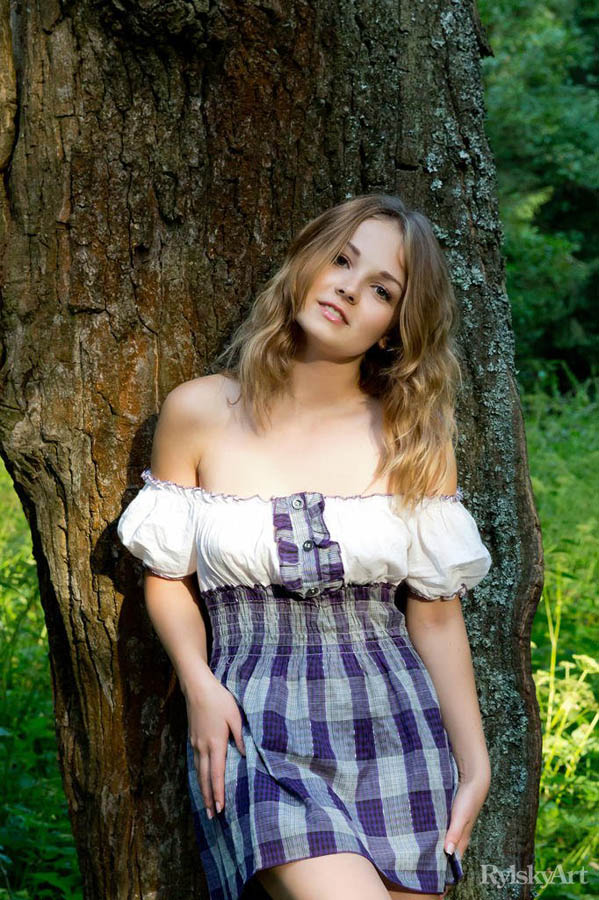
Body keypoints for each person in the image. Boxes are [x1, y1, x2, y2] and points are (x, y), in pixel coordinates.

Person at [117, 193, 493, 900]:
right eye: (342, 260)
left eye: (381, 289)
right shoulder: (200, 410)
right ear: (306, 262)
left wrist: (474, 765)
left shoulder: (411, 437)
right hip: (257, 722)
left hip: (396, 723)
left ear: (394, 328)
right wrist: (199, 684)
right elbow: (167, 577)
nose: (349, 288)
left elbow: (437, 615)